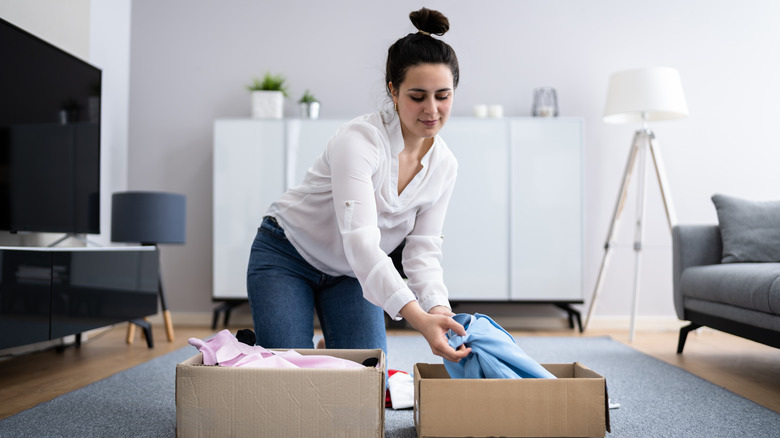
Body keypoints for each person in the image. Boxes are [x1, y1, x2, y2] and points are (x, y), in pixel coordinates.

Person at [246, 7, 471, 363]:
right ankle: (277, 346)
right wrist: (417, 319)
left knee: (368, 377)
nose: (431, 109)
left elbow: (422, 251)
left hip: (351, 274)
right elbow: (363, 244)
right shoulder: (360, 141)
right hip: (287, 255)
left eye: (442, 95)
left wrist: (439, 311)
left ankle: (329, 347)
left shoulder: (445, 166)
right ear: (393, 92)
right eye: (417, 96)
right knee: (287, 375)